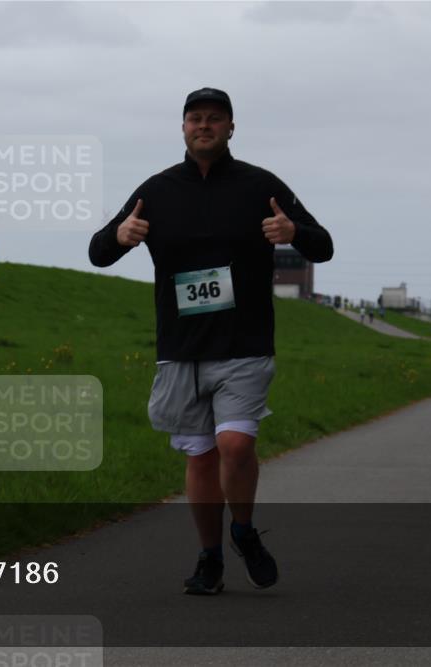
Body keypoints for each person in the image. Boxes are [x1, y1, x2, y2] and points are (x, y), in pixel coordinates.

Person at [89, 87, 332, 595]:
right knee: (199, 457)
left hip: (244, 343)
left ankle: (242, 529)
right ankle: (210, 557)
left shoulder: (259, 185)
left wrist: (293, 231)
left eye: (215, 119)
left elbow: (323, 244)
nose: (205, 126)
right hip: (181, 348)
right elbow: (98, 252)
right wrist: (120, 236)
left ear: (230, 128)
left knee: (236, 445)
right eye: (195, 118)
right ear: (182, 128)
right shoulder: (155, 191)